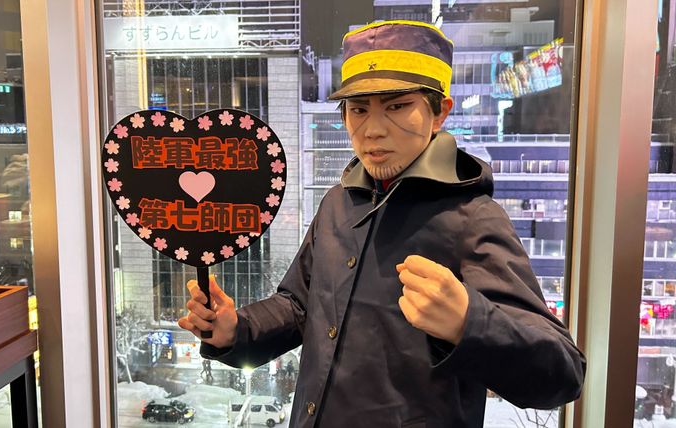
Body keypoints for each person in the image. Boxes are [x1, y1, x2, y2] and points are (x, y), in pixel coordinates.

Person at [178, 20, 586, 427]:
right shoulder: (338, 203)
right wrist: (237, 330)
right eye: (358, 109)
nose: (372, 130)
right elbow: (301, 306)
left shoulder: (472, 217)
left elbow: (563, 374)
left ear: (440, 112)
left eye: (396, 106)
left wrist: (470, 323)